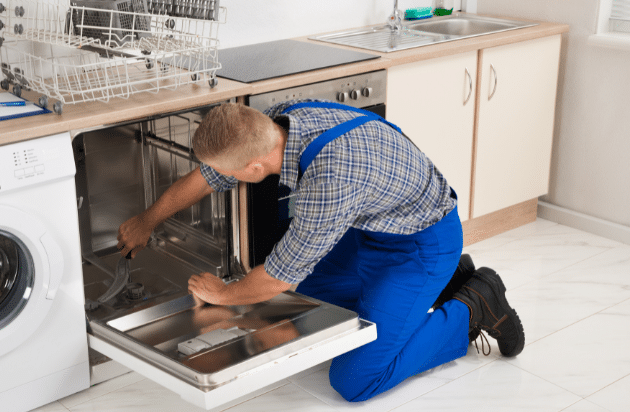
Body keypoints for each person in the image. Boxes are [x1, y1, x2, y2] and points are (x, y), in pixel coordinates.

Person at [116, 100, 525, 401]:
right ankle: (442, 285)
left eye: (230, 174)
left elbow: (276, 277)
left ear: (255, 170)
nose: (221, 178)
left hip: (420, 245)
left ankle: (473, 304)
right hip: (373, 226)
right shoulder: (279, 120)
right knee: (303, 304)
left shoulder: (329, 183)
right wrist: (147, 221)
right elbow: (204, 179)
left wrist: (222, 293)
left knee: (356, 379)